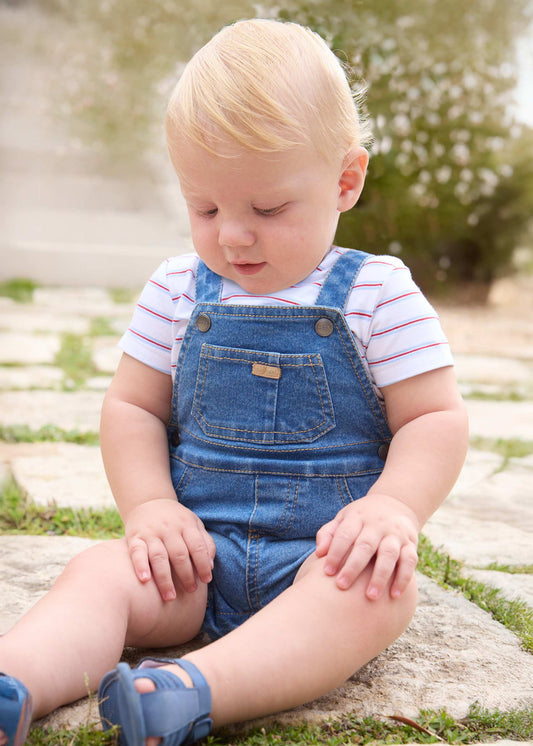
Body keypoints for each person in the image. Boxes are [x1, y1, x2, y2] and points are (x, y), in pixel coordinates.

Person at [0, 18, 469, 746]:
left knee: (377, 596)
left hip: (326, 558)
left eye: (267, 209)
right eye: (206, 207)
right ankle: (15, 681)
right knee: (99, 573)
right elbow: (131, 407)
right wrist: (152, 507)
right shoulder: (176, 289)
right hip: (194, 560)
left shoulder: (377, 292)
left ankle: (192, 690)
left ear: (345, 181)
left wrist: (394, 509)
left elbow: (433, 418)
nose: (231, 235)